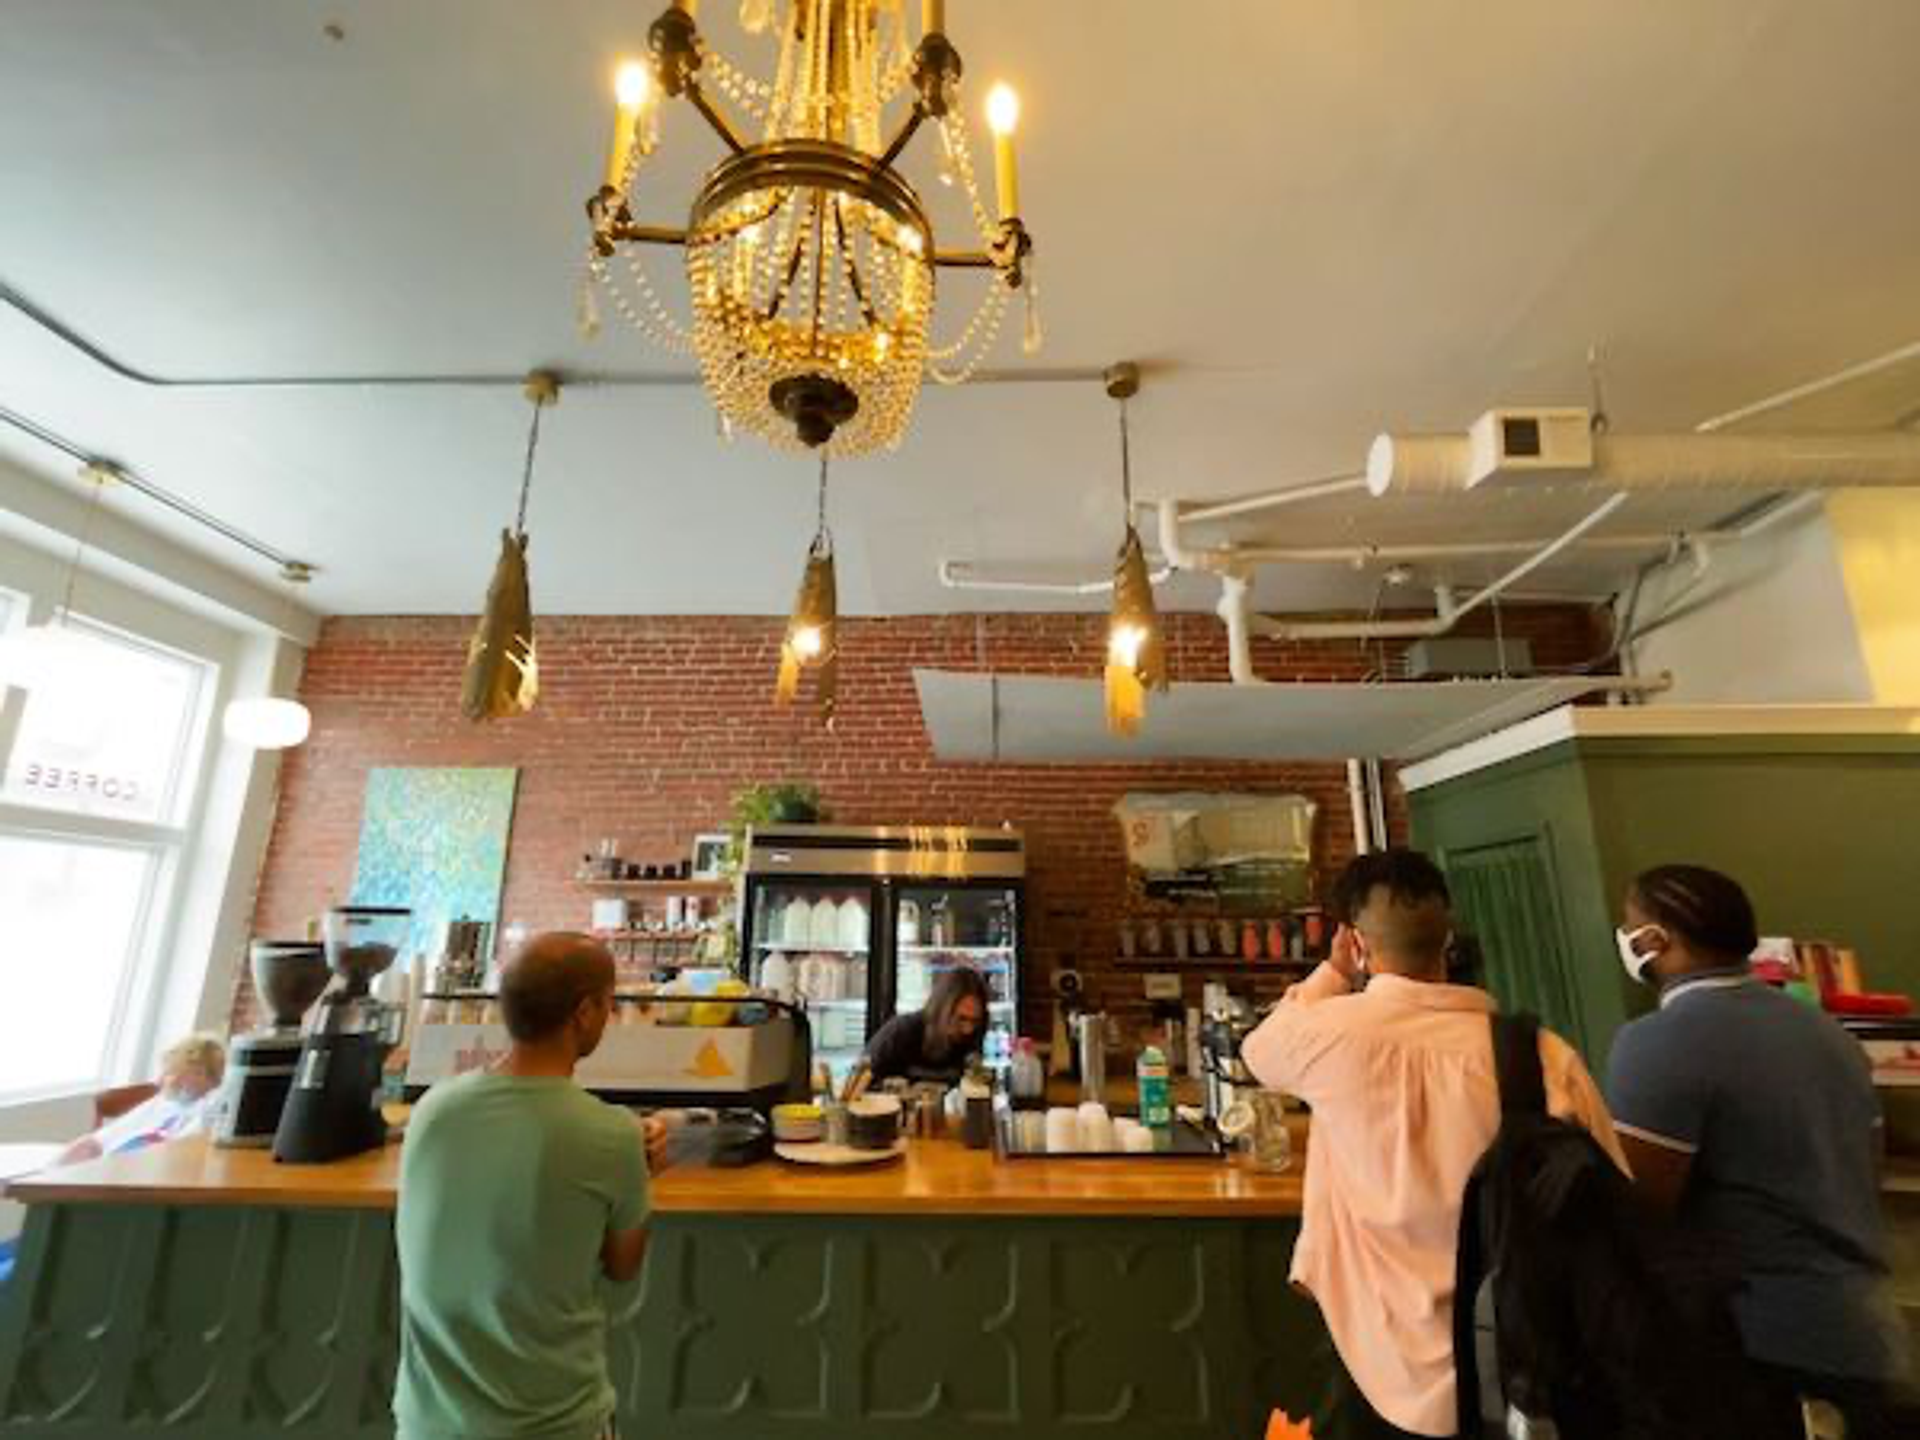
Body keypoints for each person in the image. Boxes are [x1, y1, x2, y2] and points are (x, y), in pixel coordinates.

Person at [1242, 849, 1625, 1440]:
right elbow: (1613, 1195)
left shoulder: (1327, 1036)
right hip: (1525, 1352)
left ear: (1356, 942)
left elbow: (1258, 1049)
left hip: (1383, 1350)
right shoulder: (1542, 1055)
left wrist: (1333, 973)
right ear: (1449, 940)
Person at [1606, 864, 1916, 1438]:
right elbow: (1863, 1164)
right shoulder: (1829, 1033)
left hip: (1758, 1342)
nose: (1625, 940)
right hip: (1870, 1331)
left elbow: (1642, 1205)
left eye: (1630, 927)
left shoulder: (1655, 1043)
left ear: (1657, 941)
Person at [394, 933, 667, 1440]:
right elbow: (623, 1266)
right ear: (585, 1012)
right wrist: (637, 1167)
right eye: (610, 1003)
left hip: (426, 1424)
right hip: (555, 1425)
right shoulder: (610, 1135)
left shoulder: (432, 1110)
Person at [52, 1034, 226, 1166]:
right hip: (108, 1167)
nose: (162, 1080)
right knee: (85, 1145)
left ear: (200, 1072)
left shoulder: (208, 1110)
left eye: (172, 1071)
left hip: (147, 1173)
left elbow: (176, 1152)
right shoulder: (163, 1102)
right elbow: (101, 1140)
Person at [861, 964, 991, 1087]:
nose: (968, 1029)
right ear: (941, 1009)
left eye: (974, 1021)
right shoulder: (901, 1031)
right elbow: (857, 1085)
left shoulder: (973, 1035)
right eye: (961, 1019)